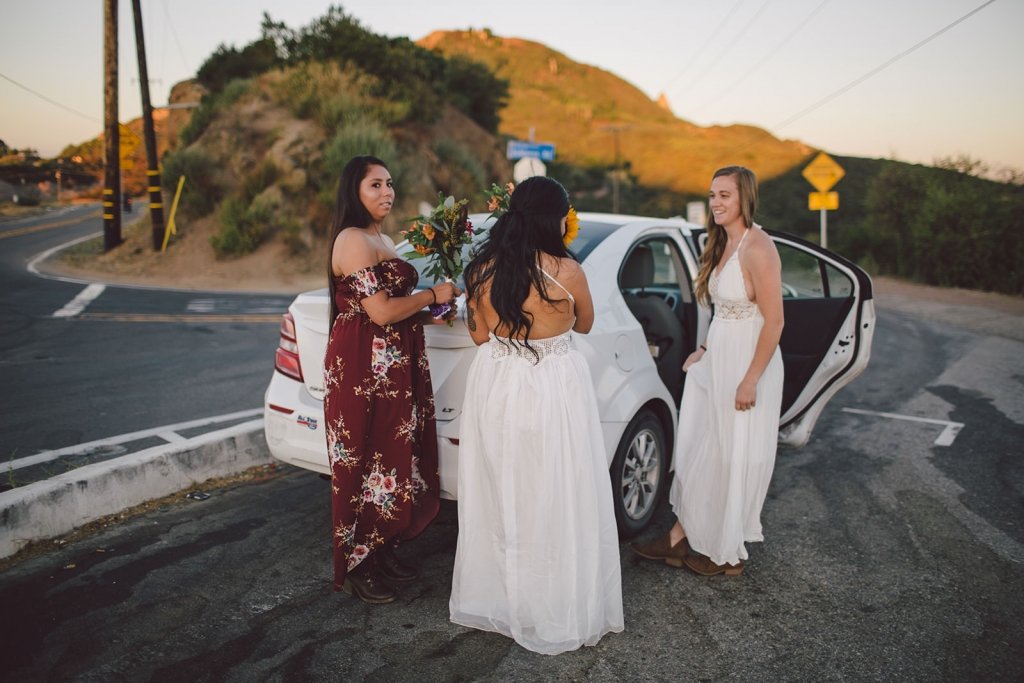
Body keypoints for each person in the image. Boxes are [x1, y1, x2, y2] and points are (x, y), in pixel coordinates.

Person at [449, 176, 624, 654]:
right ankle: (552, 603)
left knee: (504, 489)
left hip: (497, 384)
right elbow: (584, 324)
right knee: (556, 490)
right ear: (556, 220)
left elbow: (479, 336)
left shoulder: (480, 270)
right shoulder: (568, 271)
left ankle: (504, 600)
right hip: (553, 388)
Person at [631, 165, 784, 576]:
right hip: (719, 357)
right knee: (702, 446)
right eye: (713, 194)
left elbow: (774, 321)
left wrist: (750, 379)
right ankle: (683, 535)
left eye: (724, 195)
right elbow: (725, 313)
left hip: (749, 363)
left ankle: (726, 552)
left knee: (732, 454)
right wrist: (703, 350)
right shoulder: (722, 242)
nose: (716, 202)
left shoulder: (758, 247)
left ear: (744, 198)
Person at [324, 155, 460, 603]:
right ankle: (357, 565)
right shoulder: (352, 239)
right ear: (355, 191)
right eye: (375, 185)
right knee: (364, 458)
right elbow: (380, 311)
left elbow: (394, 310)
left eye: (389, 183)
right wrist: (432, 293)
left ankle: (380, 550)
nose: (387, 192)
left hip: (391, 364)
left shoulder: (379, 238)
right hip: (363, 367)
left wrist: (434, 311)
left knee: (390, 454)